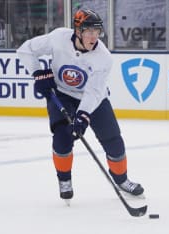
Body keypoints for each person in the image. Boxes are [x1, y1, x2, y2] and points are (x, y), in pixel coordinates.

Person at [16, 9, 144, 201]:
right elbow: (25, 49)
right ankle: (64, 180)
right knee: (62, 137)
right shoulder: (59, 38)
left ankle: (122, 179)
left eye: (96, 32)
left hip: (95, 99)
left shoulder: (103, 57)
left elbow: (92, 92)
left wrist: (83, 116)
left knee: (113, 140)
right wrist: (37, 73)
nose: (94, 37)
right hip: (62, 95)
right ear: (77, 30)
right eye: (88, 31)